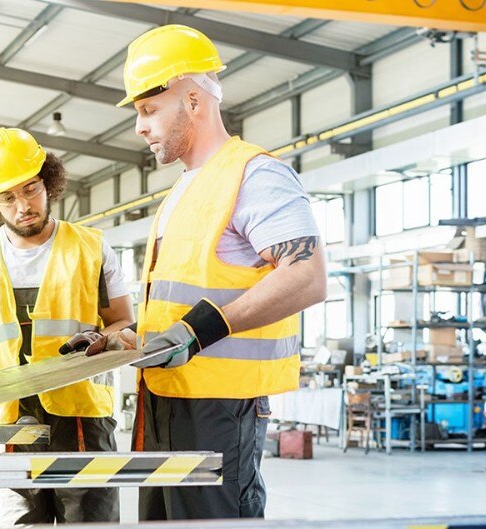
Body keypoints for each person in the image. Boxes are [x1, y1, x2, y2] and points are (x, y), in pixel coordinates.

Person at [113, 24, 327, 520]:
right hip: (163, 398)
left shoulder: (254, 174)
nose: (140, 128)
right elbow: (179, 298)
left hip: (219, 407)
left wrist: (199, 330)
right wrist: (126, 338)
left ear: (193, 101)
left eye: (148, 111)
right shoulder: (183, 190)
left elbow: (307, 276)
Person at [0, 127, 135, 525]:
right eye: (8, 197)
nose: (22, 205)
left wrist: (104, 339)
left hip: (82, 418)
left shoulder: (92, 247)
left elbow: (123, 321)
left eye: (30, 189)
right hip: (6, 420)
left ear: (49, 181)